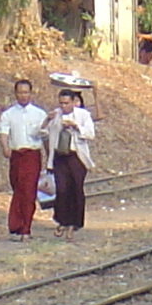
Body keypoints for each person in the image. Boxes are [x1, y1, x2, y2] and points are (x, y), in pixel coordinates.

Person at [0, 77, 49, 240]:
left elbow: (45, 137)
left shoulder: (39, 114)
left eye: (26, 92)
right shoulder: (8, 114)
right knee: (18, 189)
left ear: (30, 93)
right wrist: (5, 147)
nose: (23, 95)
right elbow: (3, 132)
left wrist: (49, 158)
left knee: (29, 191)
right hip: (16, 156)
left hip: (32, 156)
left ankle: (26, 228)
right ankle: (15, 226)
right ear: (15, 94)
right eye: (20, 92)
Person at [42, 85, 94, 238]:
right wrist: (47, 120)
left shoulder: (83, 115)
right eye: (61, 103)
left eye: (67, 103)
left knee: (76, 189)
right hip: (60, 157)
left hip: (76, 157)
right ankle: (61, 220)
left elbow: (90, 134)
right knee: (62, 189)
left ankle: (74, 223)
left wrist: (75, 126)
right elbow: (41, 132)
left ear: (73, 102)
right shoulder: (55, 115)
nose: (64, 106)